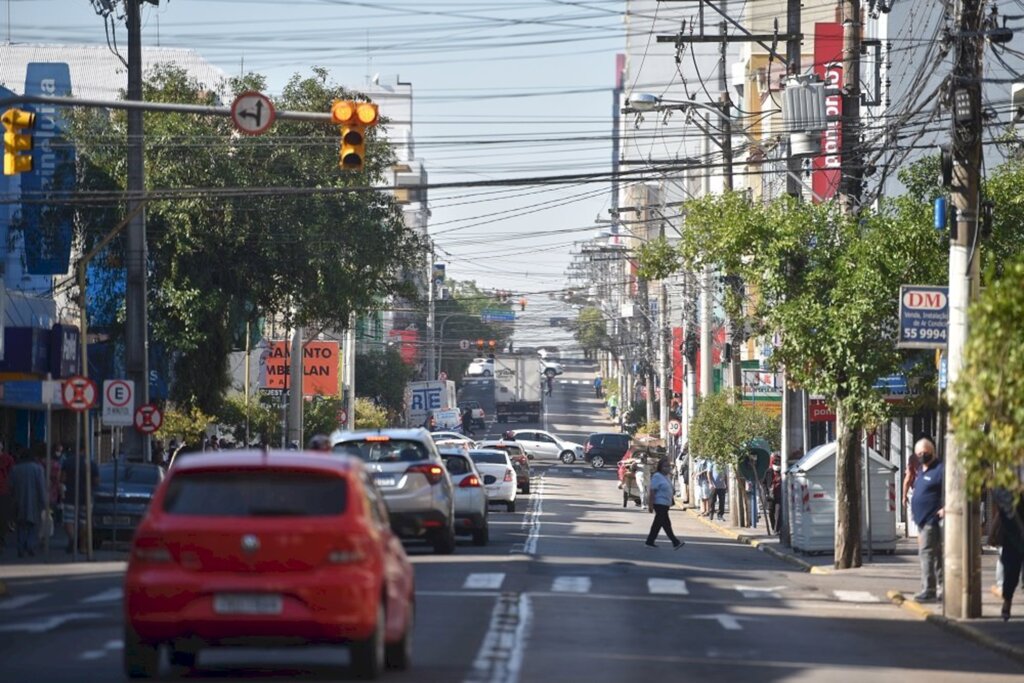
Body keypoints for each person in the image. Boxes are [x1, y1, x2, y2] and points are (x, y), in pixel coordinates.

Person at [910, 436, 943, 601]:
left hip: (932, 520)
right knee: (935, 556)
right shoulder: (922, 470)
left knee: (927, 555)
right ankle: (941, 588)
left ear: (932, 452)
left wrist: (945, 508)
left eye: (925, 452)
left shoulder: (939, 470)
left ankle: (929, 590)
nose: (922, 455)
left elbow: (950, 492)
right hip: (922, 522)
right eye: (919, 453)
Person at [992, 487, 1024, 620]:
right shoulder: (1009, 486)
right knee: (1011, 572)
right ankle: (1007, 601)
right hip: (1012, 536)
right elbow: (1002, 510)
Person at [61, 449, 99, 554]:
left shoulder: (68, 462)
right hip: (86, 496)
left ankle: (73, 539)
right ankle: (82, 546)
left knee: (68, 520)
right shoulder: (91, 463)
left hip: (70, 495)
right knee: (84, 522)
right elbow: (96, 481)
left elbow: (62, 478)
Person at [10, 447, 47, 558]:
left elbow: (11, 486)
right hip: (34, 500)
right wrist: (44, 502)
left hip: (19, 499)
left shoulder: (15, 469)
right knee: (33, 525)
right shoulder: (38, 469)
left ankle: (21, 546)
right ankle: (30, 545)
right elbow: (41, 486)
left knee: (21, 525)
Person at [645, 458, 684, 550]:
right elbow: (652, 491)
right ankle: (675, 542)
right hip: (659, 503)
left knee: (657, 524)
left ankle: (650, 541)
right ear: (660, 467)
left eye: (669, 466)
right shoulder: (657, 476)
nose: (667, 468)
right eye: (665, 466)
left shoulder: (666, 477)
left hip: (665, 504)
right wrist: (650, 505)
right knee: (666, 524)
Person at [763, 453, 783, 534]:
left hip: (779, 496)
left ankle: (776, 530)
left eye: (779, 462)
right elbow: (764, 483)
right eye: (776, 462)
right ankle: (773, 527)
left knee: (778, 513)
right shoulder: (769, 471)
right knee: (771, 513)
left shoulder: (782, 471)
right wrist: (766, 492)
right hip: (770, 497)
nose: (777, 464)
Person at [0, 441, 14, 553]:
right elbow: (11, 474)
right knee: (3, 515)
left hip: (4, 490)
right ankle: (2, 537)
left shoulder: (8, 458)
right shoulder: (8, 458)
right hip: (4, 490)